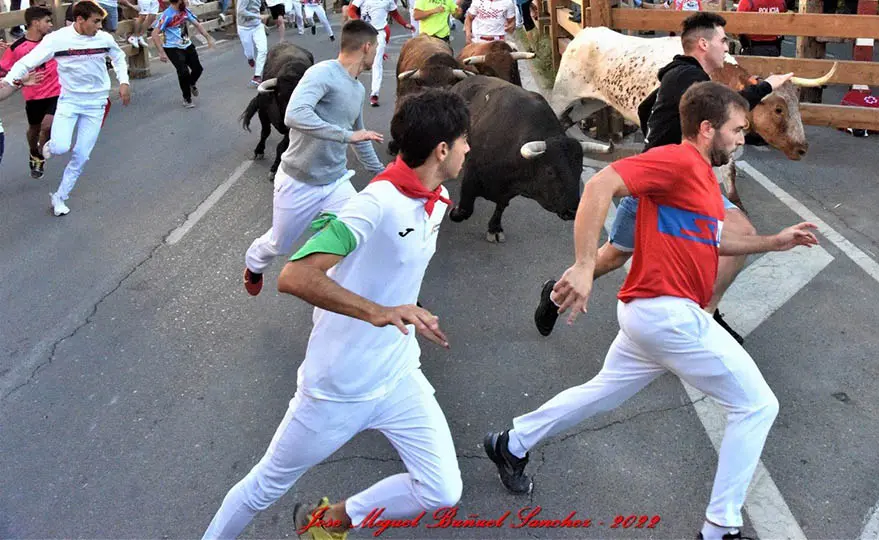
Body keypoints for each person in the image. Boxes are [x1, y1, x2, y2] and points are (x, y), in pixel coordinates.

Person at [485, 81, 819, 540]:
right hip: (669, 315)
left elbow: (713, 240)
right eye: (737, 130)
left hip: (650, 315)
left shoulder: (701, 177)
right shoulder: (679, 160)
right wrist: (584, 266)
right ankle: (721, 527)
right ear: (707, 130)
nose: (744, 138)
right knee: (758, 405)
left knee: (600, 392)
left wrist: (774, 242)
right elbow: (602, 183)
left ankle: (511, 443)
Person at [204, 88, 470, 540]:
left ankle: (329, 521)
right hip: (336, 390)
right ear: (442, 149)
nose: (469, 149)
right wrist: (378, 310)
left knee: (442, 490)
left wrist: (409, 308)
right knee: (264, 485)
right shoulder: (372, 204)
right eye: (465, 140)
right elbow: (295, 275)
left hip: (399, 375)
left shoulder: (436, 198)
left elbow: (387, 270)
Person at [533, 12, 795, 342]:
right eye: (722, 40)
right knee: (613, 256)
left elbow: (646, 108)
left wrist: (659, 133)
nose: (726, 47)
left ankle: (704, 317)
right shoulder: (687, 78)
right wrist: (767, 86)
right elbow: (731, 108)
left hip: (692, 181)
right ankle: (555, 295)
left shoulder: (681, 76)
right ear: (703, 43)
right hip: (657, 185)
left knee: (740, 234)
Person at [242, 20, 386, 296]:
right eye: (376, 47)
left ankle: (354, 290)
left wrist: (384, 174)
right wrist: (346, 137)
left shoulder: (357, 90)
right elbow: (294, 115)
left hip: (335, 181)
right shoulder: (322, 73)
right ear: (366, 47)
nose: (377, 52)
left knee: (361, 231)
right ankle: (253, 265)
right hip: (298, 180)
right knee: (278, 244)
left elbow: (359, 136)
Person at [0, 0, 131, 217]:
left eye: (101, 22)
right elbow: (27, 62)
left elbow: (118, 57)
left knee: (81, 154)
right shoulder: (57, 40)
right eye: (96, 22)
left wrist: (124, 81)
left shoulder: (104, 38)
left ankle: (60, 197)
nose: (99, 26)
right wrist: (11, 79)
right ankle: (50, 146)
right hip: (69, 101)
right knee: (60, 148)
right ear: (80, 20)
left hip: (96, 103)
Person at [0, 6, 61, 179]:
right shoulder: (18, 47)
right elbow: (4, 70)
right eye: (47, 21)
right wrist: (16, 80)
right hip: (33, 95)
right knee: (34, 129)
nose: (50, 25)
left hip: (56, 91)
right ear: (35, 23)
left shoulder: (53, 40)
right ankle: (34, 152)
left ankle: (42, 152)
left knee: (46, 125)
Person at [348, 0, 413, 107]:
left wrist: (405, 24)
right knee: (358, 61)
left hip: (379, 33)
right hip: (363, 32)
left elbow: (394, 13)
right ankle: (350, 85)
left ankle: (375, 94)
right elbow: (351, 10)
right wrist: (359, 23)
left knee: (376, 63)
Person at [152, 0, 215, 108]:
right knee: (183, 72)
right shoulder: (167, 15)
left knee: (198, 69)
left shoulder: (184, 11)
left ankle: (191, 83)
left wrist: (208, 37)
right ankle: (187, 98)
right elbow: (154, 34)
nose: (186, 1)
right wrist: (161, 52)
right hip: (173, 48)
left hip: (187, 44)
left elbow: (197, 24)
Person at [236, 0, 268, 87]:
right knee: (249, 53)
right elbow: (240, 11)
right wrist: (258, 16)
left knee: (263, 50)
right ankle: (250, 58)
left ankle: (257, 76)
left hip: (257, 26)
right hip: (244, 27)